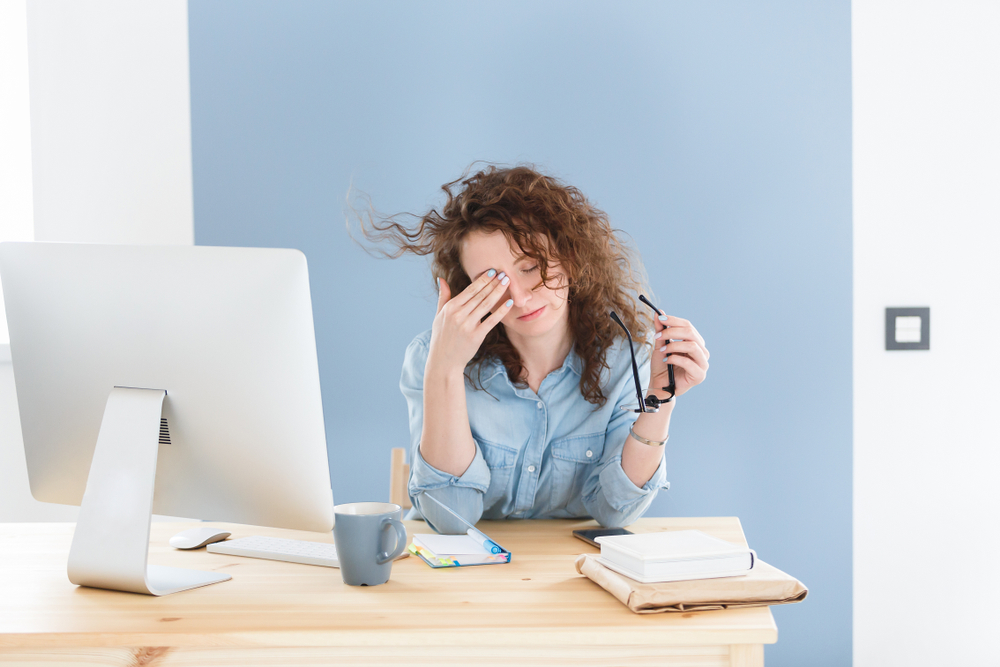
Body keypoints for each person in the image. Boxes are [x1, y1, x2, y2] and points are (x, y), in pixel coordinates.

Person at [363, 165, 710, 534]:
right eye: (490, 281)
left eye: (530, 266)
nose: (520, 297)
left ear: (571, 256)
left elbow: (615, 510)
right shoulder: (431, 358)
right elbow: (452, 516)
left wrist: (660, 397)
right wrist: (445, 371)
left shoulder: (627, 361)